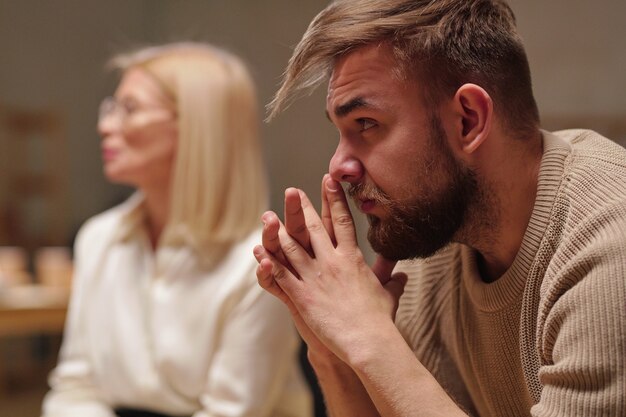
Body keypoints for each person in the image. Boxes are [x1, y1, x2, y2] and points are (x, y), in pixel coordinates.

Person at [252, 1, 626, 416]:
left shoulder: (610, 249)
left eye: (366, 123)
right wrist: (334, 354)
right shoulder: (432, 235)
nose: (339, 166)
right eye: (340, 131)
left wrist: (369, 338)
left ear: (468, 120)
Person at [42, 42, 312, 417]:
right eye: (110, 107)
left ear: (197, 127)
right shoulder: (98, 239)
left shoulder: (259, 263)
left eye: (129, 109)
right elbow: (74, 389)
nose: (104, 126)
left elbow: (230, 412)